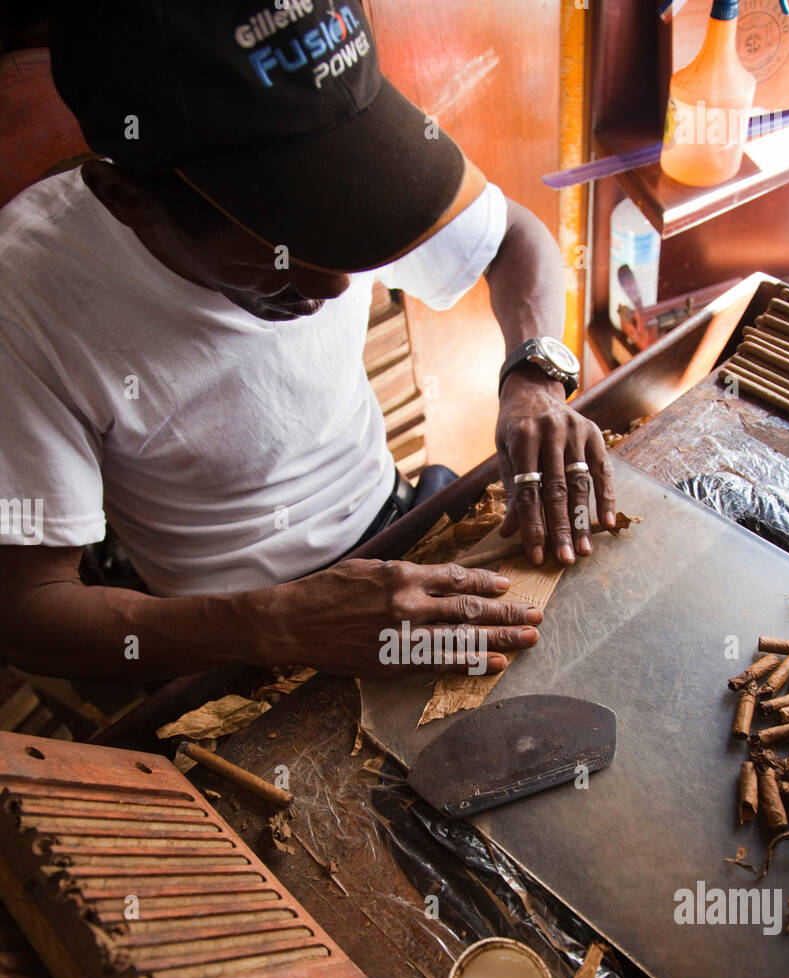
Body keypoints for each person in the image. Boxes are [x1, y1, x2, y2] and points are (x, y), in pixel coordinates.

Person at [0, 0, 616, 684]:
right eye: (283, 249)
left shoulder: (331, 131)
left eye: (349, 234)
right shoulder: (24, 297)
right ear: (129, 199)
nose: (337, 283)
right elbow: (27, 613)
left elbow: (514, 238)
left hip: (396, 518)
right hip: (231, 631)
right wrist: (280, 623)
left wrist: (533, 377)